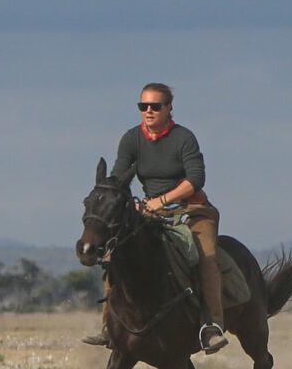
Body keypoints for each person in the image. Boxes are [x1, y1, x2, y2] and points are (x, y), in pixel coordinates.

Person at [85, 82, 226, 354]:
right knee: (117, 254)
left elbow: (195, 179)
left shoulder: (184, 138)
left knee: (207, 258)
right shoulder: (132, 139)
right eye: (143, 106)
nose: (148, 111)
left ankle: (211, 327)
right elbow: (119, 178)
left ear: (169, 108)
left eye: (155, 106)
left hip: (194, 211)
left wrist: (161, 200)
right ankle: (109, 327)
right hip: (151, 212)